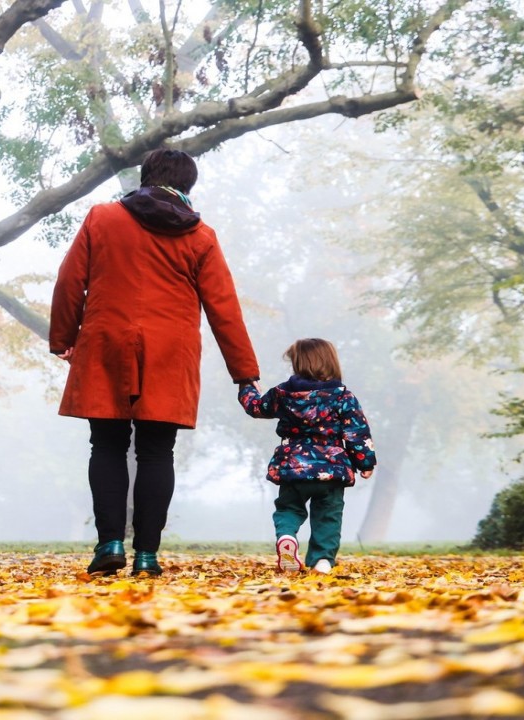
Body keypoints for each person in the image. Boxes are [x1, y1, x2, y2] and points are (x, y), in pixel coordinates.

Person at [50, 148, 260, 577]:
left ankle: (109, 542)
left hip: (107, 342)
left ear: (145, 177)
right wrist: (245, 375)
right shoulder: (201, 237)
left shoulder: (103, 218)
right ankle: (146, 554)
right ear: (188, 187)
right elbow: (224, 308)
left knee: (106, 445)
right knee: (156, 452)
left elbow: (70, 279)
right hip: (171, 352)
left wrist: (63, 338)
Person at [239, 338, 376, 574]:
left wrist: (247, 385)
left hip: (294, 467)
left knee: (288, 508)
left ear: (298, 363)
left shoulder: (281, 393)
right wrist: (365, 462)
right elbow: (356, 431)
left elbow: (256, 407)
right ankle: (322, 560)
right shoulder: (342, 396)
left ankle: (286, 537)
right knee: (328, 516)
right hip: (331, 469)